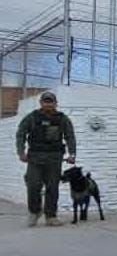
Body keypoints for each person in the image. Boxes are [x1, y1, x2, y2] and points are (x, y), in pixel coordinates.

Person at [16, 90, 76, 227]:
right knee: (33, 185)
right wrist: (21, 152)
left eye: (51, 102)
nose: (48, 104)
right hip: (35, 158)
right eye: (46, 102)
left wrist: (72, 154)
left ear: (56, 103)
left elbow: (70, 136)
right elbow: (21, 134)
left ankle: (51, 216)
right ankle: (34, 212)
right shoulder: (32, 117)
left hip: (54, 159)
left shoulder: (62, 119)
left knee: (52, 187)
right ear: (41, 103)